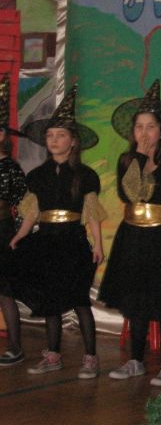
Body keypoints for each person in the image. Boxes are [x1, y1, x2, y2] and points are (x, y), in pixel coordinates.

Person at [8, 84, 105, 378]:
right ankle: (53, 355)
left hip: (73, 243)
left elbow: (92, 212)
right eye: (50, 135)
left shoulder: (85, 175)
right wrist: (20, 235)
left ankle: (90, 357)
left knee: (79, 300)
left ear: (73, 141)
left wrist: (98, 244)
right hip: (46, 241)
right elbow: (32, 211)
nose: (54, 140)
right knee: (50, 300)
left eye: (60, 135)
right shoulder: (38, 175)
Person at [99, 79, 161, 387]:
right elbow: (132, 194)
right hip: (133, 237)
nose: (144, 133)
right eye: (139, 127)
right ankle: (135, 360)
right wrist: (138, 157)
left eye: (150, 127)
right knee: (135, 300)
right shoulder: (127, 161)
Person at [0, 75, 28, 366]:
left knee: (5, 291)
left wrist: (17, 235)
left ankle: (16, 347)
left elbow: (23, 204)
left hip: (2, 232)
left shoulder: (11, 168)